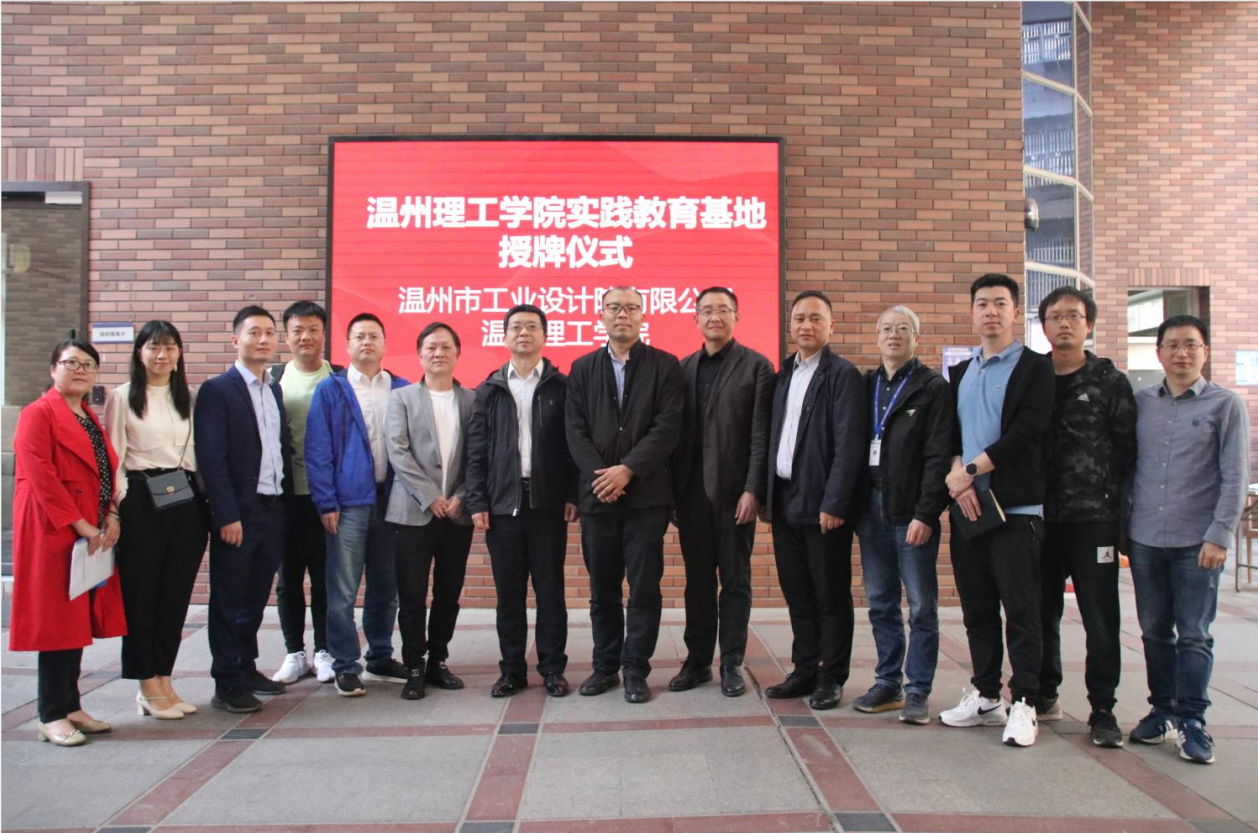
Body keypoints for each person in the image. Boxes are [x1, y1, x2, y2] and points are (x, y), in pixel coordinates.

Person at [1127, 315, 1250, 764]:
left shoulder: (1226, 405)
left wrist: (1220, 535)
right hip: (1145, 538)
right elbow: (1127, 469)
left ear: (1205, 352)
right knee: (1154, 632)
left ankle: (1192, 720)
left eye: (1191, 345)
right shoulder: (1141, 403)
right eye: (1173, 345)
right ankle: (1162, 711)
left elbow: (1235, 477)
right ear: (1159, 352)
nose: (1182, 353)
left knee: (1194, 634)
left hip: (1198, 542)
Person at [941, 273, 1054, 748]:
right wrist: (957, 476)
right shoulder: (961, 372)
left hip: (1016, 509)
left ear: (1015, 312)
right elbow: (951, 434)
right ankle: (987, 695)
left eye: (1000, 303)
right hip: (969, 508)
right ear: (972, 313)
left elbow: (1027, 433)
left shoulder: (1035, 368)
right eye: (982, 303)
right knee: (977, 608)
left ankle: (1025, 701)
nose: (991, 311)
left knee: (1021, 610)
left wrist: (970, 470)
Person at [566, 286, 683, 704]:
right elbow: (574, 430)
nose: (622, 314)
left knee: (644, 588)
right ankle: (605, 668)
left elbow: (668, 427)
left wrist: (627, 470)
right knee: (603, 590)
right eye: (614, 307)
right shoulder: (582, 368)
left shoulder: (665, 365)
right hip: (597, 498)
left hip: (647, 498)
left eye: (631, 307)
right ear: (600, 315)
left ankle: (635, 670)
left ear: (642, 316)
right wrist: (603, 477)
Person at [9, 339, 126, 746]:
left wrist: (110, 514)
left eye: (88, 364)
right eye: (71, 363)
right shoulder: (37, 413)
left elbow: (105, 472)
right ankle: (51, 714)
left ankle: (71, 705)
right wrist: (81, 524)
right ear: (52, 369)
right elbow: (40, 475)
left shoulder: (88, 417)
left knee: (76, 620)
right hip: (53, 529)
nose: (80, 370)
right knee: (56, 623)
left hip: (87, 528)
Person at [1036, 287, 1136, 748]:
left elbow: (1128, 452)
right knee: (1041, 612)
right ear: (1043, 325)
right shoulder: (1032, 377)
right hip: (1039, 518)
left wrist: (1120, 519)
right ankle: (1044, 693)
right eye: (1055, 316)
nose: (1064, 323)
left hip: (1094, 520)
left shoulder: (1110, 381)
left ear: (1089, 325)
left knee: (1100, 617)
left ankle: (1103, 709)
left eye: (1073, 316)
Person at [465, 304, 579, 698]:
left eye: (532, 326)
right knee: (509, 595)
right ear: (505, 336)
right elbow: (476, 452)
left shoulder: (562, 387)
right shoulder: (489, 389)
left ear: (545, 335)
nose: (524, 333)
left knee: (550, 592)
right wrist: (477, 501)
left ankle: (552, 669)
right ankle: (512, 670)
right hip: (503, 507)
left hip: (547, 504)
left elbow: (573, 446)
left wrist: (572, 494)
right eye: (516, 327)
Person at [763, 290, 866, 711]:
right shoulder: (783, 375)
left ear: (831, 326)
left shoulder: (843, 375)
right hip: (785, 498)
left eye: (815, 318)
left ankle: (831, 676)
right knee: (798, 592)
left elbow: (849, 445)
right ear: (790, 326)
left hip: (823, 503)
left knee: (830, 595)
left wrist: (835, 502)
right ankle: (805, 668)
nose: (806, 325)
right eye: (800, 319)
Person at [669, 287, 773, 698]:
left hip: (734, 494)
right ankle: (697, 662)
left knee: (735, 580)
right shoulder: (682, 368)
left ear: (736, 317)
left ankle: (731, 661)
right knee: (697, 581)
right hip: (691, 494)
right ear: (695, 319)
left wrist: (752, 489)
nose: (715, 316)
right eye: (707, 310)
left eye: (723, 310)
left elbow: (761, 434)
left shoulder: (757, 366)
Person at [105, 321, 209, 720]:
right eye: (153, 347)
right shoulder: (123, 397)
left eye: (169, 347)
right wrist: (117, 507)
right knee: (141, 595)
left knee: (174, 595)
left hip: (184, 499)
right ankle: (145, 682)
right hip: (141, 500)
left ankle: (164, 679)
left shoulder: (189, 397)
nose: (161, 355)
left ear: (179, 353)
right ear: (140, 352)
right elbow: (114, 459)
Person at [853, 306, 952, 724]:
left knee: (922, 606)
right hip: (870, 510)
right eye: (887, 329)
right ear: (877, 336)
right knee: (880, 602)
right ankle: (888, 683)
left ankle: (918, 690)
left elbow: (938, 455)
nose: (894, 335)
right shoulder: (866, 385)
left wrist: (926, 513)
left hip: (911, 513)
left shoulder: (932, 387)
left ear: (917, 338)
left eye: (903, 329)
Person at [195, 306, 293, 714]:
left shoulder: (273, 389)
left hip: (272, 509)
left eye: (270, 332)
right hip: (239, 512)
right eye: (254, 332)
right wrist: (226, 515)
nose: (264, 339)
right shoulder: (218, 390)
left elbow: (278, 449)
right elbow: (211, 458)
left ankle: (247, 667)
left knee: (255, 596)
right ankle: (227, 681)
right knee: (229, 599)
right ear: (236, 340)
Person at [306, 312, 410, 697]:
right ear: (347, 345)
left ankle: (380, 656)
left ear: (384, 344)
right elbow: (318, 450)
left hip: (391, 502)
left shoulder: (401, 388)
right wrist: (326, 502)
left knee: (386, 586)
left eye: (374, 336)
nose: (367, 342)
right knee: (342, 590)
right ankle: (345, 663)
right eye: (359, 336)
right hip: (347, 504)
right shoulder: (331, 390)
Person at [386, 322, 476, 700]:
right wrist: (429, 496)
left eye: (446, 347)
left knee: (448, 592)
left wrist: (461, 495)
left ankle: (438, 660)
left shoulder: (472, 400)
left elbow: (477, 456)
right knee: (411, 595)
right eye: (431, 347)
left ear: (458, 354)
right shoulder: (402, 398)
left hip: (457, 513)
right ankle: (414, 666)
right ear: (420, 354)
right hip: (413, 512)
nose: (438, 353)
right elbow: (397, 451)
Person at [270, 301, 342, 685]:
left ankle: (325, 651)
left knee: (326, 578)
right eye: (297, 330)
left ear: (324, 334)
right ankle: (294, 652)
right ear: (286, 337)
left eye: (313, 329)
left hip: (327, 499)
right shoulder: (273, 380)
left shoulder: (340, 379)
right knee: (288, 579)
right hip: (285, 499)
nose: (305, 337)